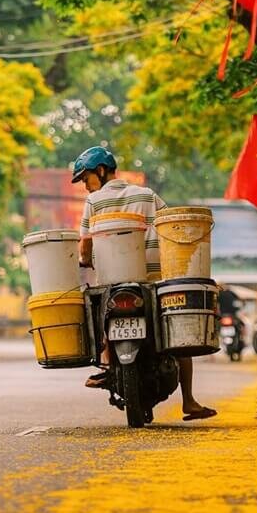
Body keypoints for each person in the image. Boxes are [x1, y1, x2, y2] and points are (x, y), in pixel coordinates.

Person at [74, 145, 217, 421]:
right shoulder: (147, 195)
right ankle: (189, 400)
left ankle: (106, 366)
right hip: (152, 278)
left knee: (97, 313)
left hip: (111, 280)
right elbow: (168, 225)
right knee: (174, 333)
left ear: (101, 172)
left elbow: (85, 244)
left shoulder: (94, 201)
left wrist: (85, 260)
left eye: (85, 178)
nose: (84, 185)